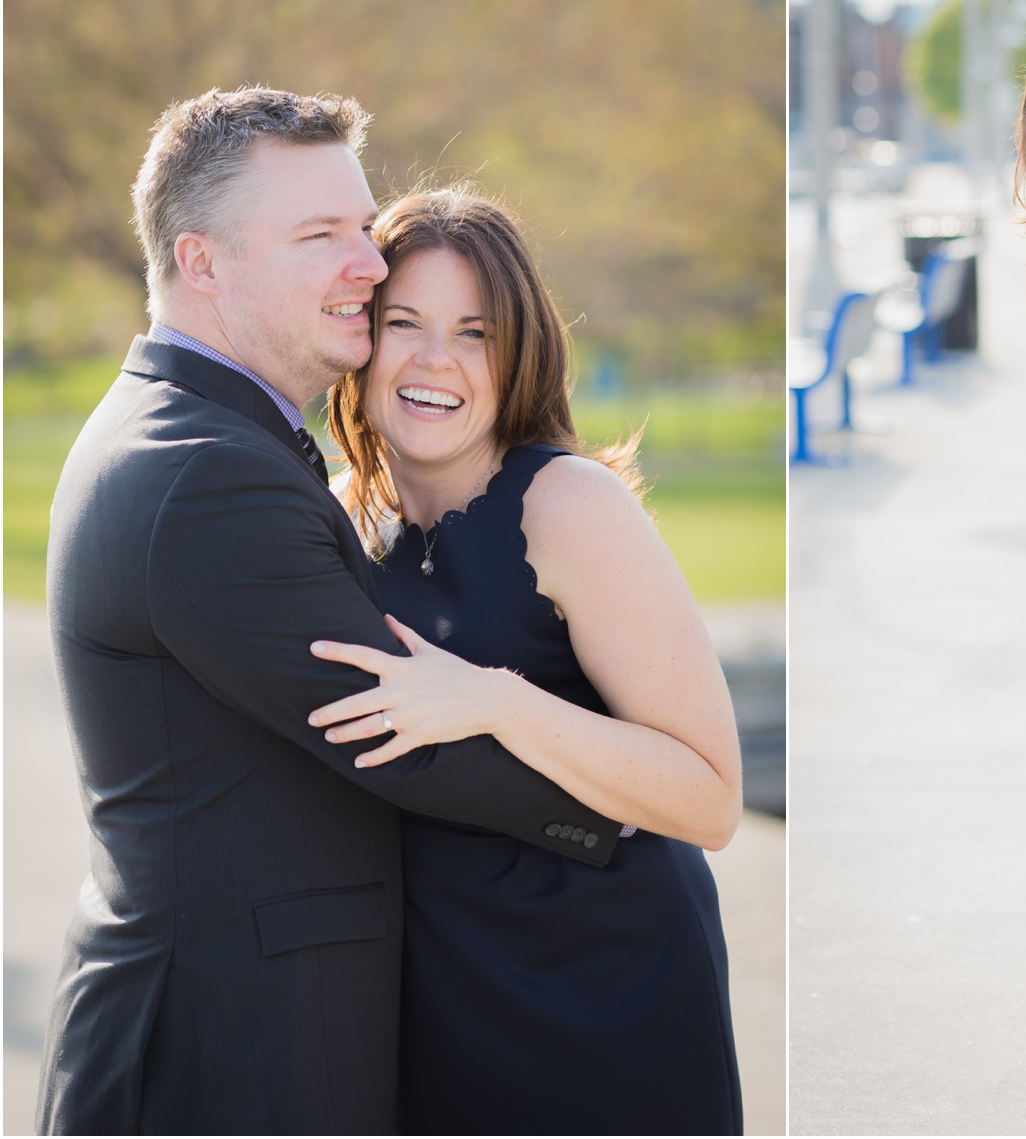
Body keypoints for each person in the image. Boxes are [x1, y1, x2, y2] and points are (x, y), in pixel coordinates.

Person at [37, 88, 624, 1135]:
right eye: (322, 235)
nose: (370, 262)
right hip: (223, 1054)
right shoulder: (203, 471)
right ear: (201, 260)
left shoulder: (199, 431)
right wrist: (633, 795)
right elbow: (397, 733)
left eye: (362, 226)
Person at [308, 188, 744, 1135]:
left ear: (519, 355)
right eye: (405, 324)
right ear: (361, 339)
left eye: (475, 332)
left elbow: (711, 799)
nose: (434, 360)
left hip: (604, 986)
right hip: (432, 993)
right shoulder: (339, 516)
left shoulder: (569, 506)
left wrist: (496, 701)